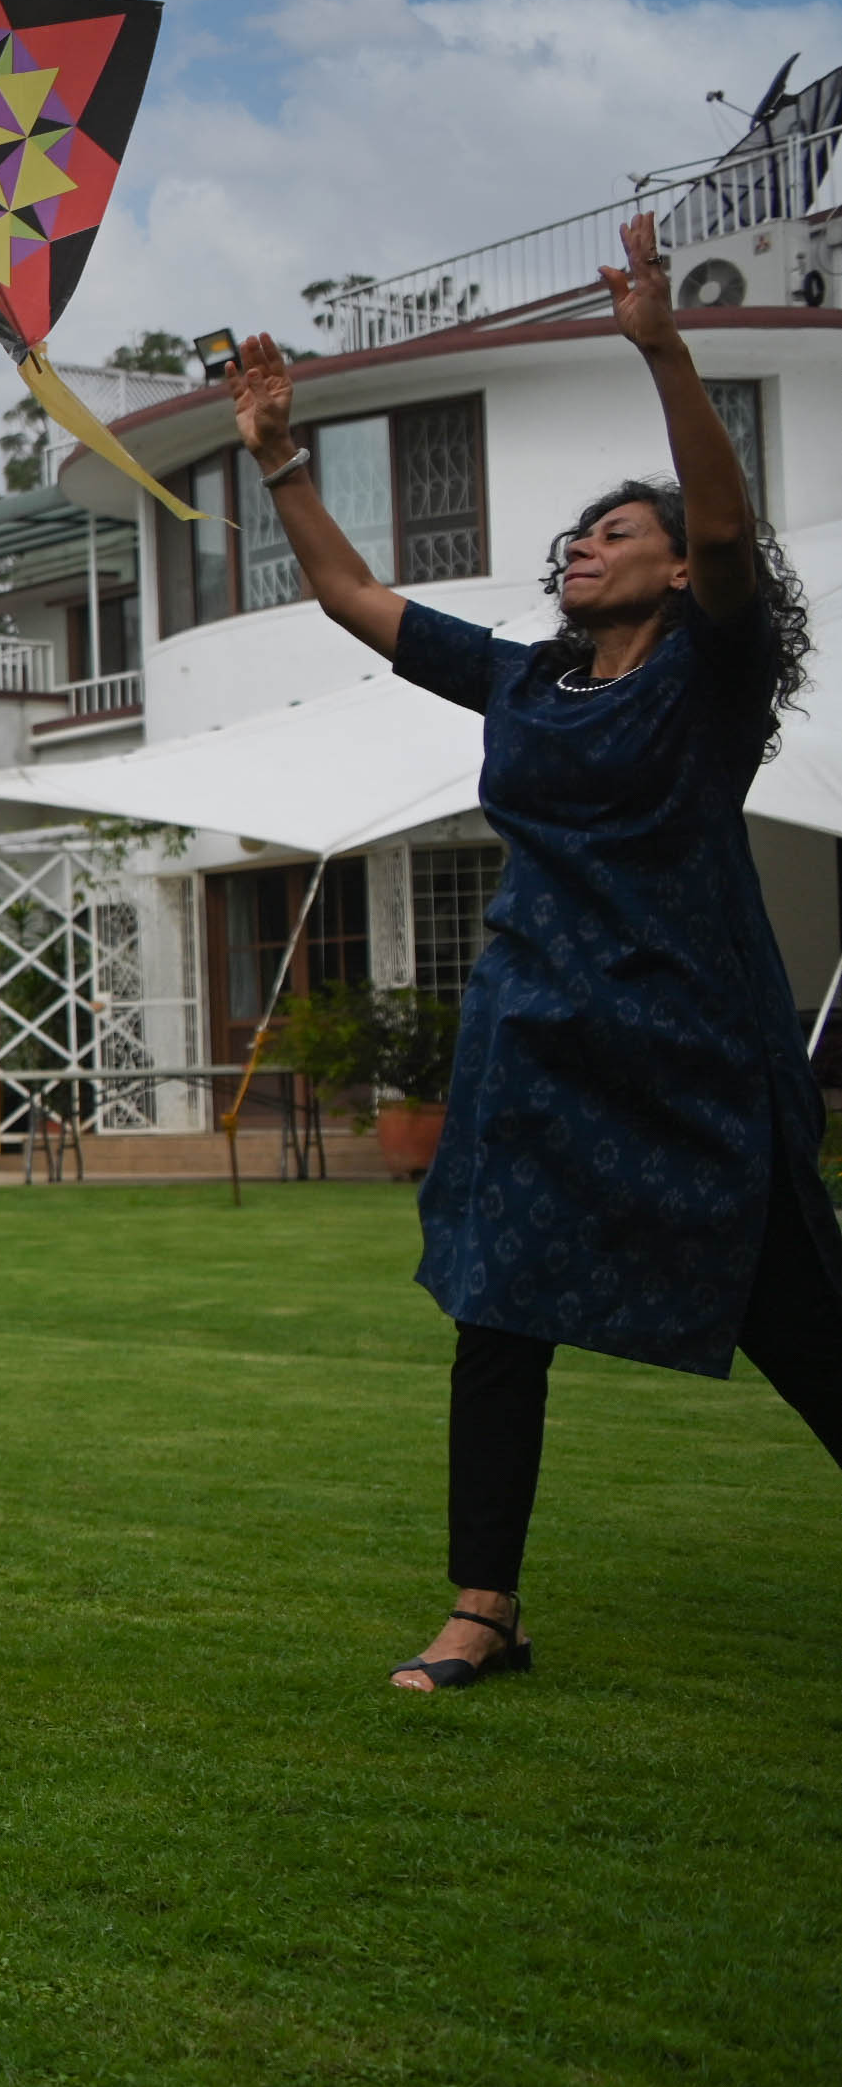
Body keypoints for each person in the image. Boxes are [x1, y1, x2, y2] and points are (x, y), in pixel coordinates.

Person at [232, 209, 842, 1692]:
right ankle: (482, 1609)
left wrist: (663, 351)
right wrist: (280, 461)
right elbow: (354, 601)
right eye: (577, 533)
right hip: (534, 1039)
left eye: (616, 532)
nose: (582, 544)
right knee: (495, 1314)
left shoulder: (708, 672)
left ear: (675, 572)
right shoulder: (520, 682)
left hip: (687, 1045)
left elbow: (725, 531)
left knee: (800, 1326)